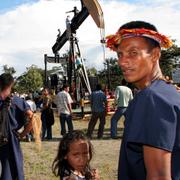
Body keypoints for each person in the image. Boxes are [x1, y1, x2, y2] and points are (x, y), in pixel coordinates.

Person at [106, 20, 180, 179]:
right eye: (120, 54)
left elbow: (159, 176)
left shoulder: (151, 98)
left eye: (133, 53)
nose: (122, 62)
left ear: (155, 54)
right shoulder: (169, 92)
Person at [0, 73, 33, 180]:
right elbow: (32, 118)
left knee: (5, 167)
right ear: (11, 84)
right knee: (13, 167)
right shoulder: (18, 101)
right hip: (12, 139)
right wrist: (23, 134)